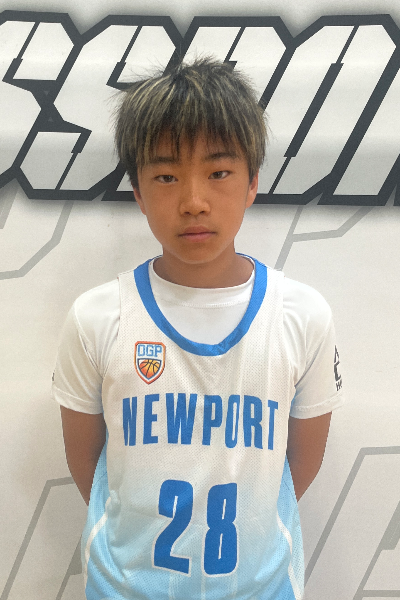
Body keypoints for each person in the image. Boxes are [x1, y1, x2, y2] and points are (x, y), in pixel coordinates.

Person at [52, 58, 344, 600]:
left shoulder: (302, 315)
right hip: (124, 588)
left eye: (218, 172)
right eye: (166, 176)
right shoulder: (97, 317)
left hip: (260, 588)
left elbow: (299, 466)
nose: (193, 202)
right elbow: (86, 463)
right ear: (138, 192)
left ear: (252, 183)